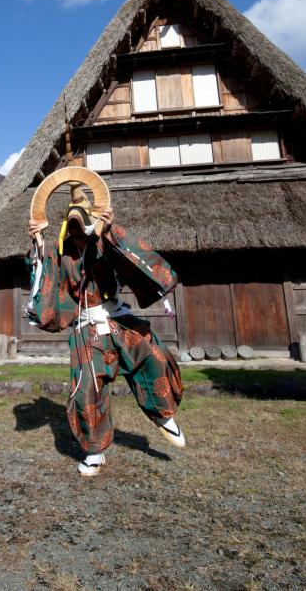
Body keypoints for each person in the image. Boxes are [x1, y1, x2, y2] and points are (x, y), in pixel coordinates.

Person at [26, 194, 184, 476]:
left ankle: (163, 416)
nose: (76, 229)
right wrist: (38, 242)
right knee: (87, 388)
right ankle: (95, 451)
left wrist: (110, 229)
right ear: (66, 226)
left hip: (117, 318)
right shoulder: (61, 254)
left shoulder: (104, 242)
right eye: (71, 224)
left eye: (81, 222)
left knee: (153, 355)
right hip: (86, 328)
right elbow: (46, 273)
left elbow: (131, 258)